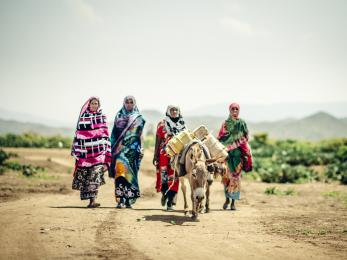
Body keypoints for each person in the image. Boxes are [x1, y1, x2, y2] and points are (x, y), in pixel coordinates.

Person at [71, 97, 111, 208]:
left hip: (99, 154)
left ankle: (93, 200)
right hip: (85, 154)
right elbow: (79, 134)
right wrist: (77, 148)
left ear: (99, 105)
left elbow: (105, 135)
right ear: (89, 105)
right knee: (87, 176)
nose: (94, 105)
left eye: (96, 103)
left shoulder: (102, 117)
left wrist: (105, 149)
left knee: (95, 176)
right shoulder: (83, 118)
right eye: (92, 103)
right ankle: (90, 200)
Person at [109, 96, 145, 209]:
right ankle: (120, 200)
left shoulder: (138, 117)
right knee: (120, 174)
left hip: (133, 151)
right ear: (124, 103)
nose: (129, 104)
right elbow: (114, 134)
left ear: (134, 104)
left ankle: (129, 200)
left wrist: (142, 148)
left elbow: (140, 135)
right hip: (119, 150)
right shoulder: (119, 116)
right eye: (127, 102)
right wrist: (113, 148)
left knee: (130, 175)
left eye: (131, 102)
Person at [217, 102, 252, 210]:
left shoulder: (242, 123)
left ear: (239, 110)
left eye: (237, 109)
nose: (235, 111)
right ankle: (227, 199)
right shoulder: (225, 124)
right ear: (230, 110)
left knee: (235, 179)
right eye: (233, 109)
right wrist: (225, 146)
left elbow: (246, 136)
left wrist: (234, 145)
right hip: (227, 155)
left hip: (238, 155)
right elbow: (221, 137)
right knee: (226, 178)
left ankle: (233, 202)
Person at [153, 105, 186, 211]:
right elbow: (158, 141)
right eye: (172, 110)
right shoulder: (162, 124)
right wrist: (155, 155)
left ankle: (170, 202)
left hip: (176, 155)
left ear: (179, 111)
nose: (174, 111)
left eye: (176, 110)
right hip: (163, 154)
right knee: (164, 177)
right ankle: (165, 195)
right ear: (168, 111)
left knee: (174, 177)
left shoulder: (182, 124)